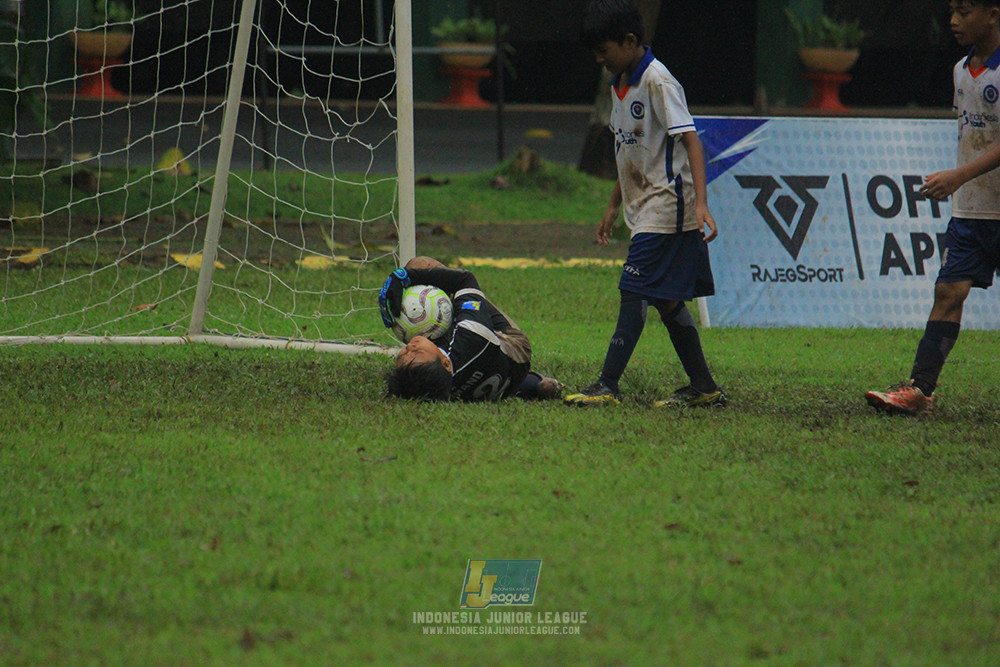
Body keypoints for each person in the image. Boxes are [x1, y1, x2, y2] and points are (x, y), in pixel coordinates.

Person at [564, 0, 725, 408]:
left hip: (668, 204)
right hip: (644, 205)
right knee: (667, 299)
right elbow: (629, 151)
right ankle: (704, 387)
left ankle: (607, 385)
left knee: (634, 286)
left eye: (604, 51)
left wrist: (701, 204)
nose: (600, 60)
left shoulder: (657, 81)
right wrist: (614, 203)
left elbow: (691, 141)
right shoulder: (619, 83)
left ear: (630, 40)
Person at [866, 0, 1000, 415]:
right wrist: (963, 184)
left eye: (964, 12)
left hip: (977, 196)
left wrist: (959, 175)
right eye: (952, 12)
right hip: (972, 210)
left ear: (993, 14)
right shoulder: (961, 70)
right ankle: (919, 390)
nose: (954, 22)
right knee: (948, 291)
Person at [379, 256, 564, 402]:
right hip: (513, 351)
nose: (410, 347)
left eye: (403, 355)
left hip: (489, 371)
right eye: (417, 351)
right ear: (446, 363)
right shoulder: (472, 336)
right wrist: (406, 276)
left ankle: (527, 386)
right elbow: (465, 280)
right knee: (419, 265)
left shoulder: (430, 386)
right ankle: (526, 383)